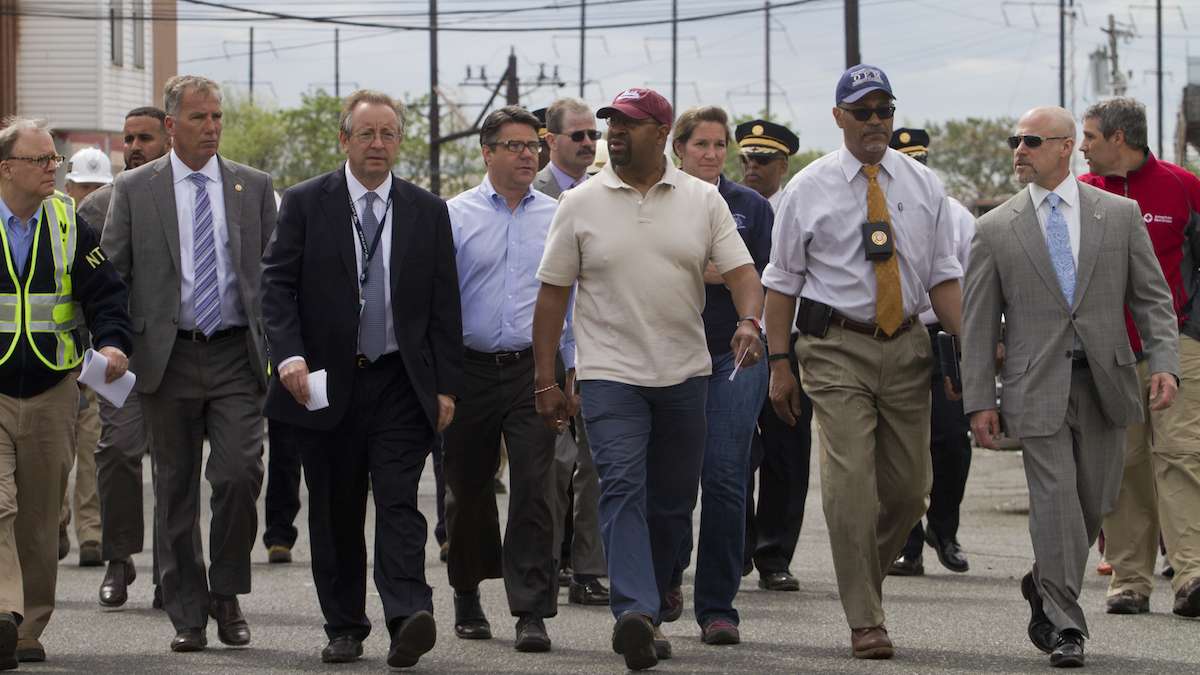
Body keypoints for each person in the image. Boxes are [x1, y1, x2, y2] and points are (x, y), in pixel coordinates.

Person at [531, 87, 764, 671]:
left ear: (660, 134)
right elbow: (553, 295)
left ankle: (654, 606)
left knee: (671, 502)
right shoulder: (580, 203)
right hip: (609, 375)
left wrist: (750, 321)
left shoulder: (702, 201)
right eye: (611, 122)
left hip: (685, 374)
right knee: (621, 488)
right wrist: (546, 380)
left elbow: (742, 272)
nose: (614, 132)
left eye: (629, 124)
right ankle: (633, 612)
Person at [962, 105, 1179, 668]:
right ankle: (1066, 624)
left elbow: (1152, 298)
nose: (1019, 150)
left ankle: (1043, 580)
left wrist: (1165, 363)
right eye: (1016, 140)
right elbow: (980, 323)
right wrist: (981, 399)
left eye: (1031, 141)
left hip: (1108, 380)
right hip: (1036, 386)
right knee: (1054, 502)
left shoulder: (1120, 214)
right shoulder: (994, 228)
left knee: (1096, 500)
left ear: (1064, 148)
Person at [762, 64, 963, 660]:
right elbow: (782, 283)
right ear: (838, 117)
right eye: (863, 112)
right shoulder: (809, 187)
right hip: (834, 347)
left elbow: (945, 275)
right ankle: (865, 619)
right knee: (850, 483)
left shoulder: (925, 184)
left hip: (907, 345)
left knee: (909, 492)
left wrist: (970, 350)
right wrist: (779, 363)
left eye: (884, 111)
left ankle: (860, 580)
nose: (875, 123)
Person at [261, 89, 461, 668]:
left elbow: (445, 306)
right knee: (334, 509)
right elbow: (275, 287)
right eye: (367, 134)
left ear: (400, 141)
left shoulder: (427, 210)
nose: (378, 144)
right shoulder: (304, 202)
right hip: (323, 381)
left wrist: (446, 386)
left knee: (400, 502)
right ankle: (345, 625)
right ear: (344, 139)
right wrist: (288, 355)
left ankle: (407, 616)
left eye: (388, 134)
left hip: (401, 382)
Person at [102, 75, 277, 653]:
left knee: (238, 474)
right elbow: (112, 278)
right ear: (172, 126)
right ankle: (187, 612)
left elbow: (274, 278)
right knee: (174, 490)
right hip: (166, 356)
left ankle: (225, 592)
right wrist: (110, 343)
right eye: (200, 118)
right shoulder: (134, 189)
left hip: (233, 352)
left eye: (217, 117)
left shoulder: (253, 187)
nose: (212, 127)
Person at [0, 116, 132, 670]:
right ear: (8, 169)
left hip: (55, 388)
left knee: (37, 513)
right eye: (42, 160)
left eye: (54, 159)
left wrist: (113, 342)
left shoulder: (67, 223)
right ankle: (3, 617)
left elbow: (106, 295)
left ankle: (29, 626)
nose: (54, 167)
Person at [442, 105, 565, 653]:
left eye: (533, 145)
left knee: (535, 490)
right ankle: (467, 593)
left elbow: (572, 301)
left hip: (532, 371)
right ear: (487, 153)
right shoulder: (454, 215)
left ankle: (531, 610)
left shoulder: (558, 215)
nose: (527, 155)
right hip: (467, 370)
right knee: (467, 489)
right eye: (514, 146)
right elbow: (438, 304)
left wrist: (572, 370)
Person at [1077, 97, 1200, 618]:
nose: (1082, 146)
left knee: (1182, 454)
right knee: (1124, 463)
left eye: (1089, 136)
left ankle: (1193, 574)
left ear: (1118, 139)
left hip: (1177, 342)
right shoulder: (1080, 193)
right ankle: (1130, 580)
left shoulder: (1184, 185)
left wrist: (1191, 329)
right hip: (1110, 351)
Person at [667, 105, 771, 646]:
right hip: (669, 357)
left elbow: (763, 279)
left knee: (726, 480)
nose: (710, 155)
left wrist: (720, 272)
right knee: (673, 481)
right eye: (699, 145)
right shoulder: (658, 200)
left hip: (737, 357)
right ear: (678, 148)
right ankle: (666, 579)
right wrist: (722, 270)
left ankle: (717, 607)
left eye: (717, 145)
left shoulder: (750, 206)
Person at [77, 106, 170, 609]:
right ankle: (118, 557)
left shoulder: (188, 200)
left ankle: (170, 569)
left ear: (169, 140)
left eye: (145, 138)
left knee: (175, 465)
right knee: (117, 452)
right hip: (120, 361)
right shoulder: (96, 206)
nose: (134, 147)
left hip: (180, 355)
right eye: (128, 138)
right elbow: (77, 288)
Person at [531, 97, 609, 607]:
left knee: (597, 466)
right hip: (548, 347)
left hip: (599, 343)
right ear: (550, 140)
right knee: (552, 465)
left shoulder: (606, 194)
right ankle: (547, 560)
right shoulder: (533, 196)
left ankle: (588, 569)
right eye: (576, 135)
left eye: (591, 136)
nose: (587, 143)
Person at [886, 128, 975, 577]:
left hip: (943, 333)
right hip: (895, 331)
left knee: (951, 439)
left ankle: (944, 528)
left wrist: (978, 340)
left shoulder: (956, 215)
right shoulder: (872, 209)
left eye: (919, 159)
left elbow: (974, 284)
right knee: (898, 443)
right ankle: (907, 543)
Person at [735, 119, 812, 593]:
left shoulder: (798, 207)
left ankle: (774, 553)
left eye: (762, 160)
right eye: (745, 159)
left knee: (787, 452)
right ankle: (737, 545)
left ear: (783, 164)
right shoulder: (731, 207)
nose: (751, 168)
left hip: (790, 343)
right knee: (736, 450)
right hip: (739, 346)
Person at [57, 145, 113, 567]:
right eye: (82, 187)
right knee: (56, 454)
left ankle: (91, 533)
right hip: (54, 362)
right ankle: (56, 522)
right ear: (69, 185)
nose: (87, 196)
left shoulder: (104, 233)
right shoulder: (51, 227)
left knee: (92, 448)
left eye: (96, 188)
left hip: (93, 359)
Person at [735, 118, 798, 212]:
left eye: (762, 159)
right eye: (746, 159)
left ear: (783, 167)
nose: (752, 165)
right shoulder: (727, 208)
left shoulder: (793, 211)